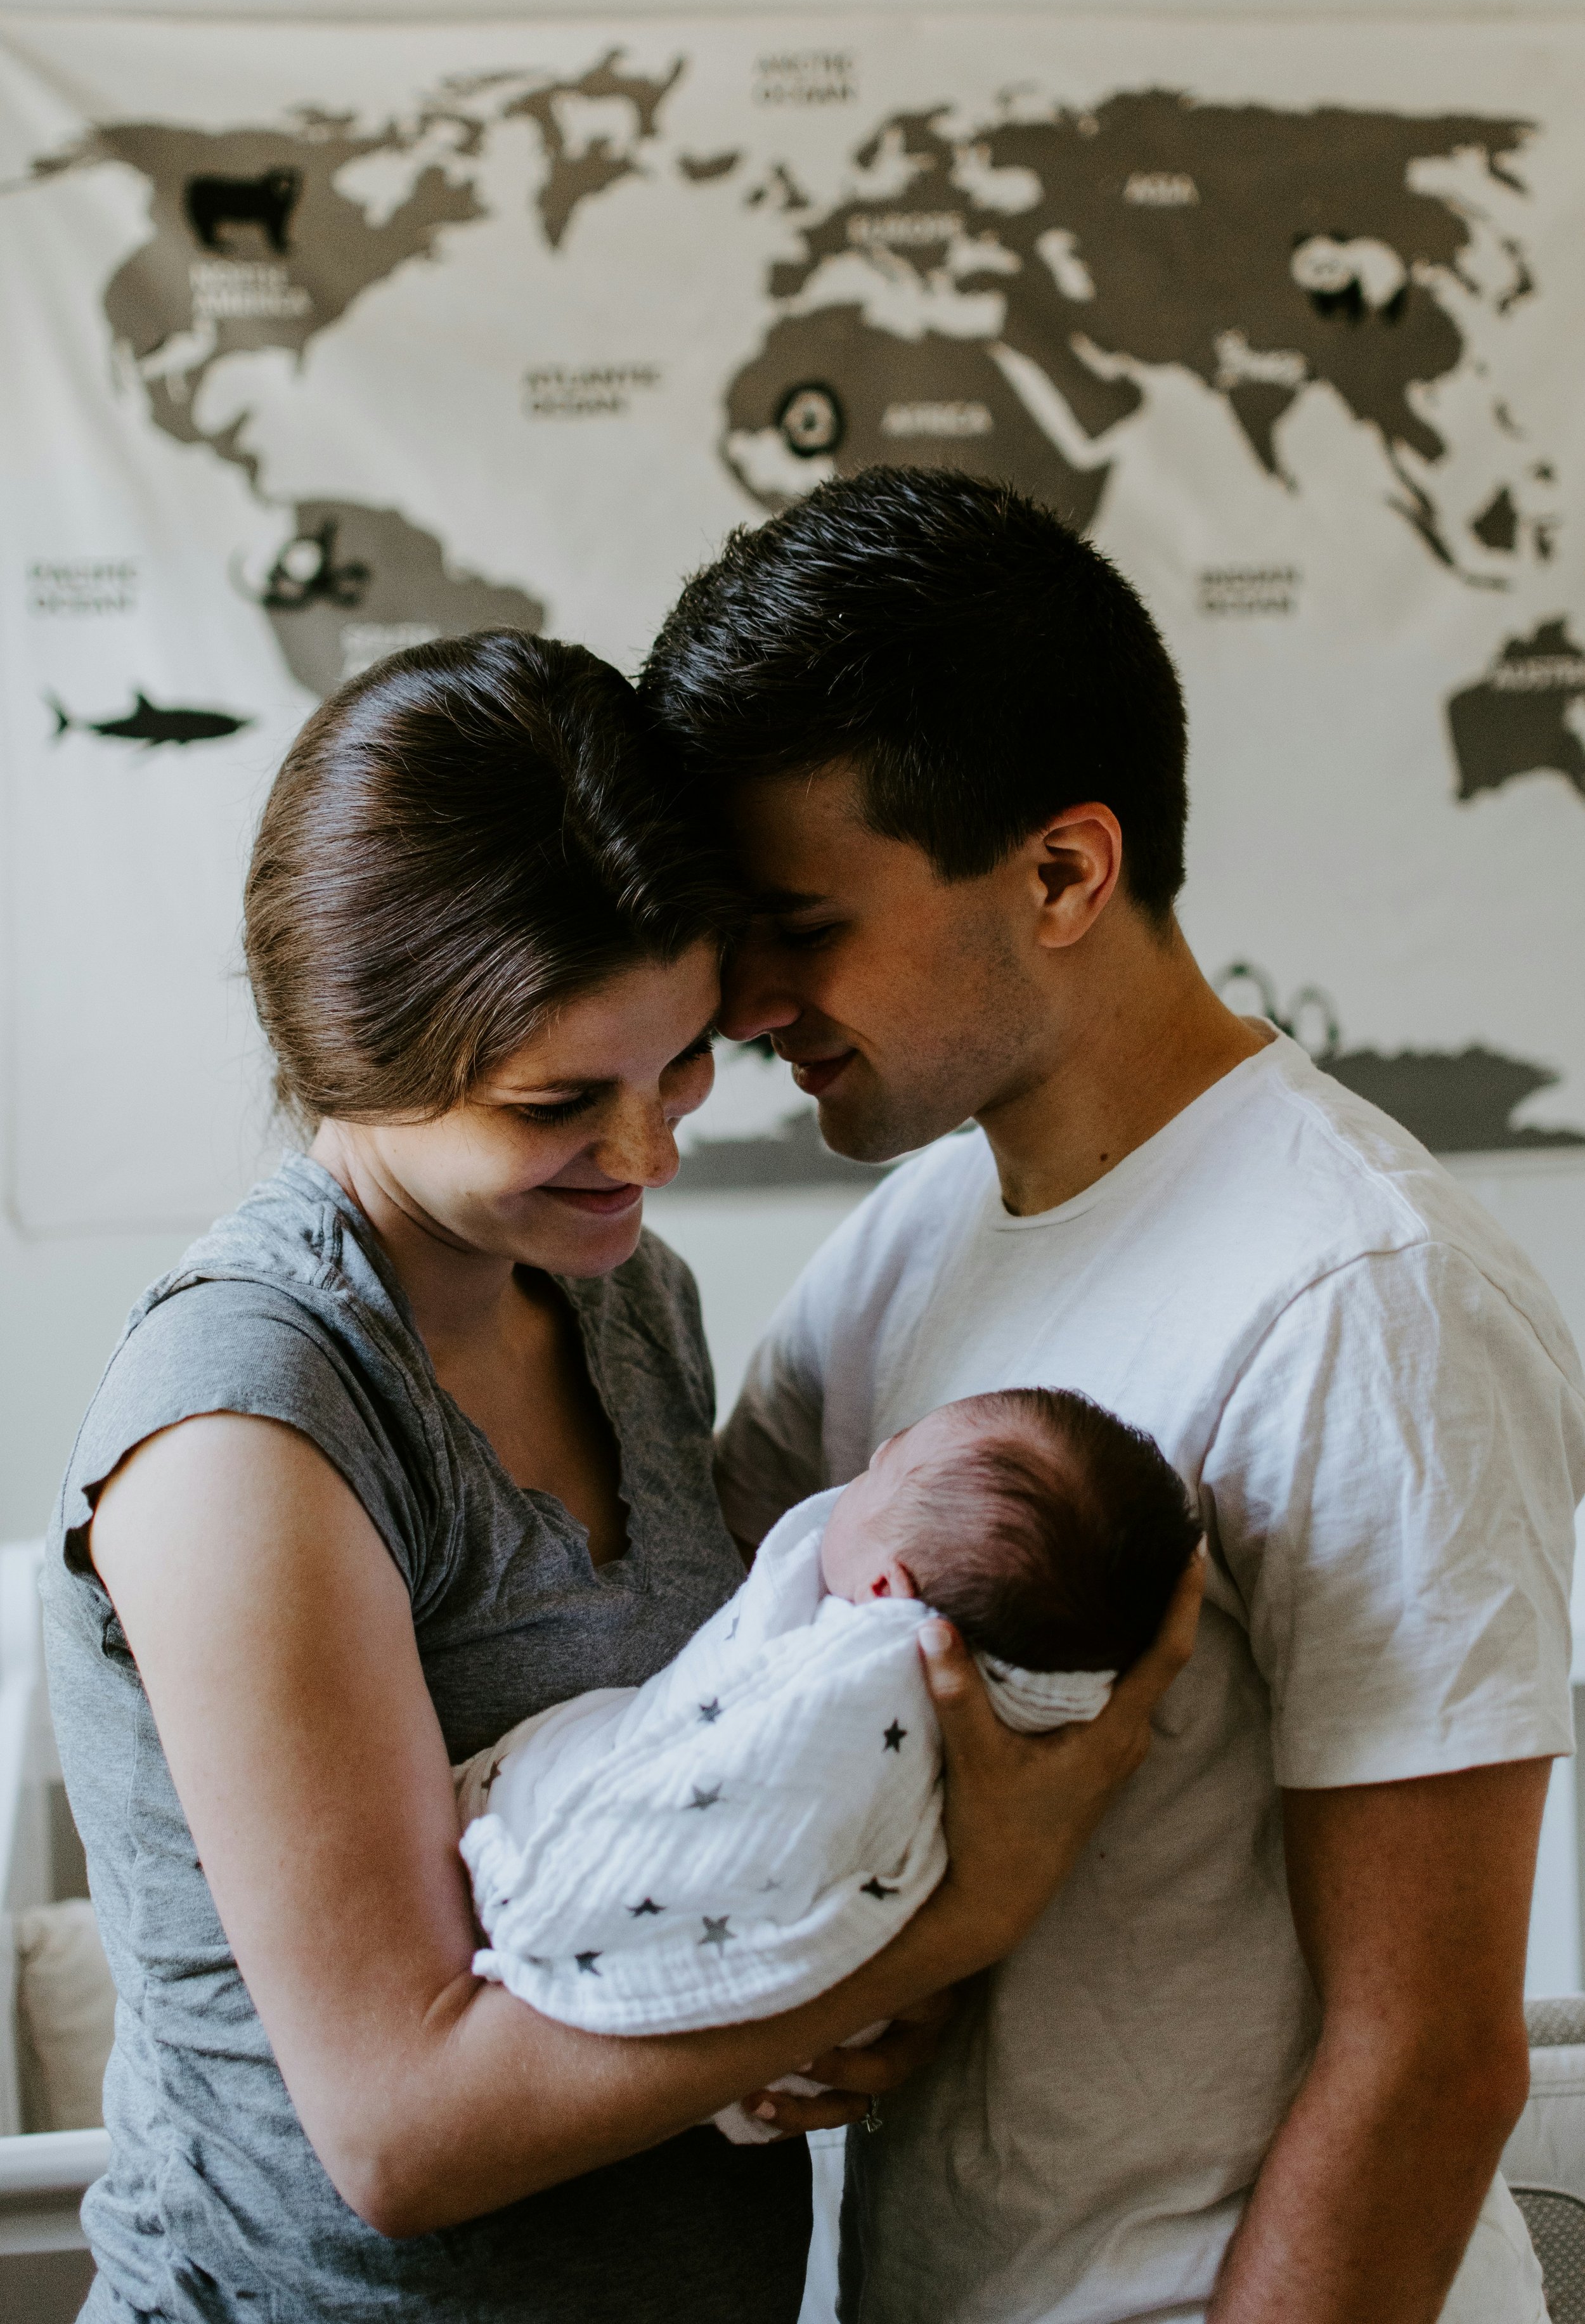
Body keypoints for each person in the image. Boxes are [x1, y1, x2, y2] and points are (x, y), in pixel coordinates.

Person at [43, 628, 1198, 2324]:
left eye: (679, 1063)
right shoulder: (249, 1414)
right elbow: (400, 2128)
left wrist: (826, 2006)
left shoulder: (619, 1294)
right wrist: (948, 1920)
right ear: (350, 1053)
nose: (649, 1154)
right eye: (557, 1101)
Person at [641, 466, 1585, 2324]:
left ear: (1062, 870)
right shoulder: (912, 1233)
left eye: (798, 922)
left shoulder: (1362, 1294)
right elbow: (738, 1688)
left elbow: (1426, 2057)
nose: (740, 1003)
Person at [455, 1385, 1200, 2088]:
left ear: (883, 1590)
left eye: (887, 1469)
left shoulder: (859, 1686)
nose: (868, 1462)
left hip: (610, 2005)